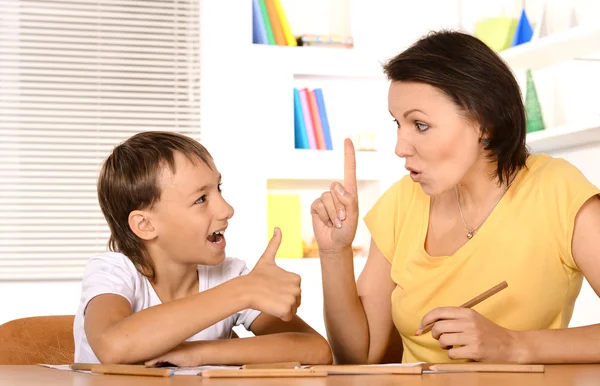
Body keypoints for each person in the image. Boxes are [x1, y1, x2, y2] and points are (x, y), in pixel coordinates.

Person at [311, 30, 600, 364]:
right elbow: (358, 357)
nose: (400, 147)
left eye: (420, 125)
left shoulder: (557, 191)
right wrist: (334, 252)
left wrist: (513, 345)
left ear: (484, 123)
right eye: (398, 123)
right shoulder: (402, 201)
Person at [74, 131, 332, 366]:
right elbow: (113, 346)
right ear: (145, 224)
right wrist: (242, 292)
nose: (226, 210)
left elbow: (317, 350)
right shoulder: (113, 272)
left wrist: (195, 353)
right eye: (201, 199)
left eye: (218, 188)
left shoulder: (228, 274)